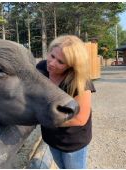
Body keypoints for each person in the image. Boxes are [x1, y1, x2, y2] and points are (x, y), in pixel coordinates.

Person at [36, 35, 96, 169]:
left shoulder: (79, 82)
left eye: (60, 62)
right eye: (52, 56)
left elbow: (80, 119)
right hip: (51, 137)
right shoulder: (41, 69)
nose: (52, 63)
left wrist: (43, 117)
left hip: (73, 141)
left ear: (71, 65)